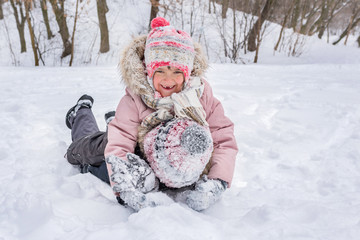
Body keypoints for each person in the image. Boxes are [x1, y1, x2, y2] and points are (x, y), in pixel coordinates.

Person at [65, 17, 238, 211]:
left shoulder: (201, 96)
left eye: (176, 71)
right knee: (85, 150)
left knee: (121, 131)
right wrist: (125, 187)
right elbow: (120, 143)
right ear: (149, 72)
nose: (168, 79)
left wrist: (217, 181)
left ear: (187, 73)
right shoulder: (137, 98)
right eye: (161, 70)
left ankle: (113, 119)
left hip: (170, 163)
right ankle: (81, 112)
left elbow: (224, 140)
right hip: (133, 150)